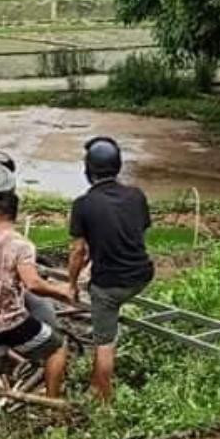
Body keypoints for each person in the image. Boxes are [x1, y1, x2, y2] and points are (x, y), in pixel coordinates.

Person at [0, 188, 72, 435]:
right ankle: (52, 403)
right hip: (12, 320)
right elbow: (33, 283)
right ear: (15, 215)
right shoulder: (23, 246)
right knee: (57, 348)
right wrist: (61, 291)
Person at [67, 135, 153, 401]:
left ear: (88, 170)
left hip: (109, 286)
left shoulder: (83, 204)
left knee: (103, 343)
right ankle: (98, 385)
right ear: (117, 166)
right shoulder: (136, 196)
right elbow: (133, 233)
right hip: (142, 275)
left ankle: (103, 398)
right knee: (112, 304)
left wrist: (71, 284)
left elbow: (78, 251)